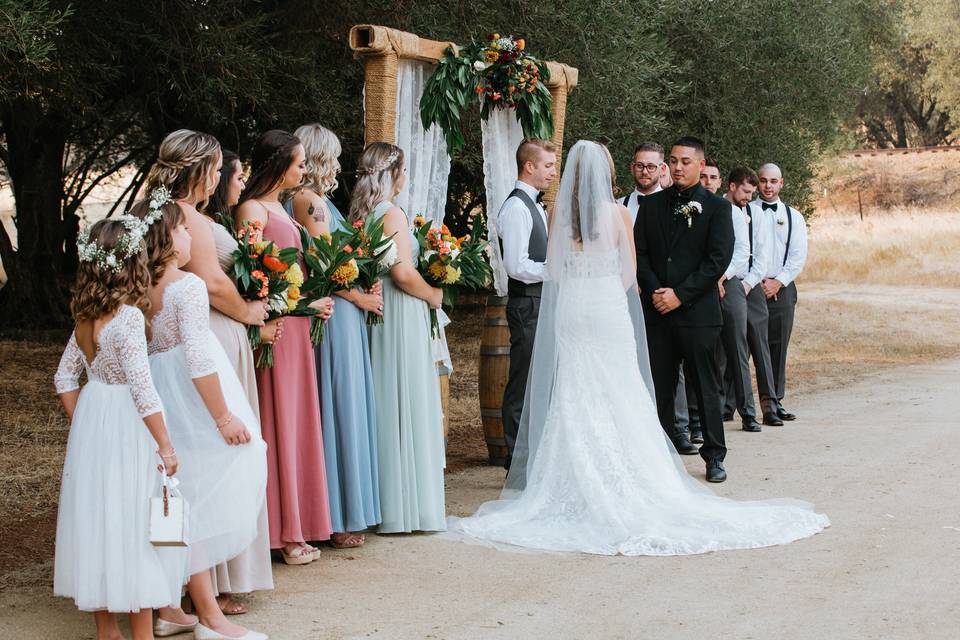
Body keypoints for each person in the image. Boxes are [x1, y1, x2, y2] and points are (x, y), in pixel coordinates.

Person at [445, 140, 829, 555]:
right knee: (620, 389)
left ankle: (570, 479)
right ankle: (630, 476)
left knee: (575, 391)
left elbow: (554, 271)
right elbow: (629, 274)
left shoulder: (557, 213)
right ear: (610, 173)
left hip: (574, 311)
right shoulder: (619, 214)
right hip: (607, 309)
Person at [136, 193, 268, 640]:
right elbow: (197, 359)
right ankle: (210, 618)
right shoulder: (186, 286)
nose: (191, 234)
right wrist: (224, 417)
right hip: (195, 399)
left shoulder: (138, 288)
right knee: (208, 493)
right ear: (168, 240)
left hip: (156, 395)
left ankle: (168, 605)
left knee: (171, 498)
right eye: (183, 229)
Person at [54, 218, 186, 640]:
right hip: (128, 425)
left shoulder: (84, 317)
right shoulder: (127, 318)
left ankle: (107, 632)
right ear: (133, 264)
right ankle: (143, 635)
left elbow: (64, 378)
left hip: (94, 420)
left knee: (98, 522)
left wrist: (88, 423)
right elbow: (143, 390)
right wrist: (165, 444)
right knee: (135, 525)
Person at [236, 130, 335, 565]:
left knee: (297, 422)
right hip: (277, 329)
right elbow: (251, 277)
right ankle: (281, 532)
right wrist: (303, 304)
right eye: (297, 163)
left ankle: (300, 522)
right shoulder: (251, 209)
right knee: (278, 425)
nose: (303, 170)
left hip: (296, 331)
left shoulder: (279, 207)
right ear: (277, 164)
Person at [289, 123, 382, 547]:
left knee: (348, 402)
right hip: (337, 313)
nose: (338, 164)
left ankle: (345, 509)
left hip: (345, 310)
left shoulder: (319, 201)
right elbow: (327, 265)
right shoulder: (310, 202)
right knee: (340, 404)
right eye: (333, 155)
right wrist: (359, 297)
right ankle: (339, 514)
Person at [356, 142, 447, 533]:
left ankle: (390, 501)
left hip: (382, 312)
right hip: (401, 310)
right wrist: (435, 295)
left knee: (388, 398)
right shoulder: (391, 212)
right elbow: (403, 274)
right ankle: (409, 507)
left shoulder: (361, 212)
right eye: (404, 170)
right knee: (406, 396)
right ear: (393, 173)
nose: (406, 177)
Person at [634, 136, 733, 482]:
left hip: (698, 315)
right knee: (660, 387)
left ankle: (714, 456)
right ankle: (661, 457)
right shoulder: (651, 206)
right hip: (658, 313)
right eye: (673, 161)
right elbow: (640, 255)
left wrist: (680, 294)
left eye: (685, 161)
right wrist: (657, 292)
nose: (678, 167)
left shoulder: (718, 208)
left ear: (701, 165)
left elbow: (717, 260)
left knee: (705, 385)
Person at [201, 149, 274, 613]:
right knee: (220, 453)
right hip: (214, 333)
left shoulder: (216, 224)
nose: (240, 182)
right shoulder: (200, 226)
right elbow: (212, 284)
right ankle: (215, 580)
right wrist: (250, 312)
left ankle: (226, 573)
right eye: (237, 174)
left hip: (230, 334)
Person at [498, 138, 557, 470]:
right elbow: (517, 266)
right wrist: (556, 270)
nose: (552, 172)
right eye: (548, 165)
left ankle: (532, 452)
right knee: (523, 380)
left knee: (538, 378)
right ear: (529, 166)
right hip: (526, 305)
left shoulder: (536, 205)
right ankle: (515, 459)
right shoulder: (517, 208)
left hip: (539, 302)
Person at [755, 163, 808, 424]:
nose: (768, 186)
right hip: (750, 287)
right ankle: (729, 403)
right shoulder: (747, 211)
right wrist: (756, 281)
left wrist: (779, 281)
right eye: (763, 181)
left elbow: (798, 256)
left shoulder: (793, 216)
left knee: (778, 346)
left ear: (781, 183)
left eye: (773, 181)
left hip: (782, 289)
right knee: (741, 345)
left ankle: (775, 401)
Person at [719, 167, 766, 432]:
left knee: (738, 346)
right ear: (732, 186)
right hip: (703, 285)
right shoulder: (707, 208)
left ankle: (748, 412)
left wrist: (722, 278)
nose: (748, 197)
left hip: (732, 282)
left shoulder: (738, 214)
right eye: (746, 191)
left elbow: (743, 254)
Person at [620, 142, 664, 224]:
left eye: (651, 167)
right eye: (640, 166)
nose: (644, 172)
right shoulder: (619, 205)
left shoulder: (674, 206)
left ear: (662, 169)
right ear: (632, 168)